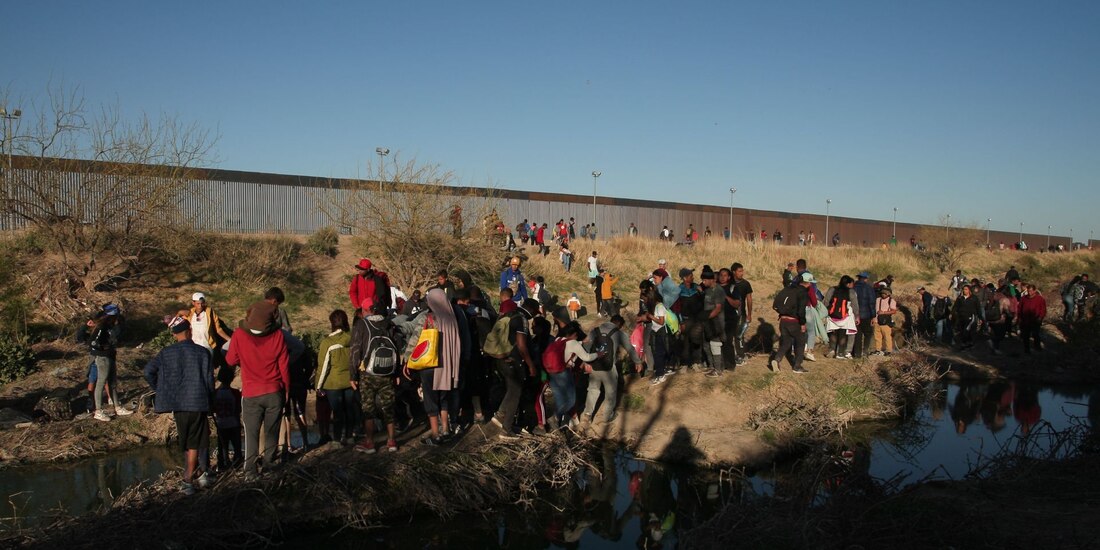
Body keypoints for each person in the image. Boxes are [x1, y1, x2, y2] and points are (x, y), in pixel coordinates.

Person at [144, 319, 214, 495]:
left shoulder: (166, 353)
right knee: (195, 442)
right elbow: (209, 382)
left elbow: (148, 372)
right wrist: (212, 403)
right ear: (190, 330)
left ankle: (195, 474)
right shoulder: (203, 353)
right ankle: (189, 478)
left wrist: (159, 389)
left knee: (187, 441)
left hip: (178, 403)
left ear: (174, 334)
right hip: (197, 401)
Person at [226, 301, 289, 480]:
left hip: (251, 393)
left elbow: (230, 360)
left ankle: (251, 472)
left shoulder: (239, 335)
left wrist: (244, 360)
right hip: (274, 390)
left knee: (251, 434)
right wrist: (286, 391)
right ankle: (269, 466)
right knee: (272, 431)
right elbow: (284, 367)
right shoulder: (278, 335)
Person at [349, 303, 401, 451]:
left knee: (368, 409)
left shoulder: (361, 325)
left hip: (368, 374)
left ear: (366, 310)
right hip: (388, 372)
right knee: (389, 406)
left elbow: (355, 350)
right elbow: (396, 347)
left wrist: (352, 375)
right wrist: (397, 372)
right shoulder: (388, 323)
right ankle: (392, 441)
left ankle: (370, 443)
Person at [491, 299, 540, 438]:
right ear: (530, 309)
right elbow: (521, 345)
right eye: (534, 313)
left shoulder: (507, 315)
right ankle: (506, 430)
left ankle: (500, 415)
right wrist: (531, 365)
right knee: (515, 393)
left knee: (511, 390)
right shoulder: (522, 319)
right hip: (513, 361)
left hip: (500, 358)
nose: (534, 316)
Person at [581, 314, 642, 422]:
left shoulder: (595, 331)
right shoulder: (619, 333)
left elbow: (586, 346)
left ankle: (587, 413)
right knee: (611, 392)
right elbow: (630, 348)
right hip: (609, 369)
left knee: (592, 390)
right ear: (620, 324)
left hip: (594, 366)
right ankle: (607, 416)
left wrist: (586, 363)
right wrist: (638, 362)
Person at [315, 310, 356, 446]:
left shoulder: (327, 343)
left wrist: (318, 386)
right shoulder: (352, 338)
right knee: (349, 410)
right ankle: (349, 436)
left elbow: (323, 367)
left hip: (333, 384)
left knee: (337, 413)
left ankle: (337, 440)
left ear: (331, 323)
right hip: (350, 380)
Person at [89, 306, 133, 422]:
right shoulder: (101, 326)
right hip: (103, 357)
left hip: (111, 356)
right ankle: (98, 411)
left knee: (112, 382)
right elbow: (93, 342)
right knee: (101, 382)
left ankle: (117, 407)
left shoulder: (111, 326)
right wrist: (104, 347)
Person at [769, 275, 810, 373]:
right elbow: (801, 311)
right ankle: (797, 366)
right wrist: (803, 323)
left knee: (786, 342)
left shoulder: (787, 289)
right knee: (800, 342)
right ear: (807, 283)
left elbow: (775, 304)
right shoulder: (803, 292)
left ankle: (776, 359)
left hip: (783, 320)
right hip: (794, 321)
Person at [212, 365, 242, 473]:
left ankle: (223, 465)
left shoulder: (216, 393)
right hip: (234, 423)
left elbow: (213, 408)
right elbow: (238, 408)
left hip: (221, 424)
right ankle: (238, 464)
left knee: (222, 447)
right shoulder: (235, 393)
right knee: (237, 447)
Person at [640, 284, 671, 385]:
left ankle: (660, 375)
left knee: (659, 354)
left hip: (661, 332)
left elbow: (661, 322)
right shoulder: (655, 307)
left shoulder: (659, 306)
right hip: (655, 331)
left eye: (645, 299)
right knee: (656, 354)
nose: (644, 302)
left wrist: (650, 316)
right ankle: (659, 374)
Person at [823, 275, 859, 359]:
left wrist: (827, 312)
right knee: (843, 334)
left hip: (832, 316)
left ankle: (832, 349)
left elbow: (826, 302)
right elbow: (855, 305)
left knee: (832, 332)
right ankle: (840, 353)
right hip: (845, 316)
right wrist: (857, 316)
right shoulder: (851, 292)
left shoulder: (832, 289)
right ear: (848, 284)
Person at [700, 269, 727, 376]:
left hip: (716, 322)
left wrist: (707, 317)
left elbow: (718, 308)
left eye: (705, 280)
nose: (703, 282)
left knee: (715, 344)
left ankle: (718, 370)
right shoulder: (708, 290)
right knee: (707, 345)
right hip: (708, 322)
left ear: (712, 280)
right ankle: (712, 366)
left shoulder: (718, 291)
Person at [730, 263, 753, 362]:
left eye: (742, 271)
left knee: (739, 336)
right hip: (729, 314)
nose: (742, 273)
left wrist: (749, 314)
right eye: (739, 271)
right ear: (734, 272)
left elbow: (749, 299)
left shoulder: (745, 284)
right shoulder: (729, 283)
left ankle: (740, 355)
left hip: (741, 314)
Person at [852, 272, 877, 357]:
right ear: (866, 279)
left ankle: (857, 353)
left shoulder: (853, 287)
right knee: (868, 333)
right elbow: (872, 303)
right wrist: (874, 316)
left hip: (854, 315)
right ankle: (865, 351)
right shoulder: (869, 288)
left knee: (857, 335)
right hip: (867, 315)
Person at [1018, 284, 1046, 354]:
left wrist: (1040, 317)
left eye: (1031, 291)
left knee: (1035, 334)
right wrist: (1019, 318)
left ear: (1034, 291)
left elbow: (1043, 309)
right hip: (1025, 320)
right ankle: (1027, 349)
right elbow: (1019, 308)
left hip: (1035, 320)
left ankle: (1037, 346)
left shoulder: (1040, 299)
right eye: (1028, 291)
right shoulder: (1023, 298)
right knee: (1026, 335)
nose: (1029, 293)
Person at [871, 288, 898, 356]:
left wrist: (883, 312)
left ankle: (889, 351)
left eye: (885, 293)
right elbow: (875, 310)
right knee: (877, 337)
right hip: (877, 321)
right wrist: (873, 319)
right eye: (882, 293)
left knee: (887, 337)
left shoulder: (891, 301)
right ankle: (878, 350)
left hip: (886, 322)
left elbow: (894, 311)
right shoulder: (877, 299)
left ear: (888, 294)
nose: (883, 294)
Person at [952, 285, 980, 349]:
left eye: (966, 289)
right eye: (964, 289)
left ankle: (966, 343)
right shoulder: (960, 298)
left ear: (969, 290)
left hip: (970, 317)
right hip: (961, 317)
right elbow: (955, 306)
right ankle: (967, 342)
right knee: (962, 330)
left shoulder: (974, 298)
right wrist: (952, 313)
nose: (964, 291)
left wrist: (980, 317)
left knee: (966, 330)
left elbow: (978, 308)